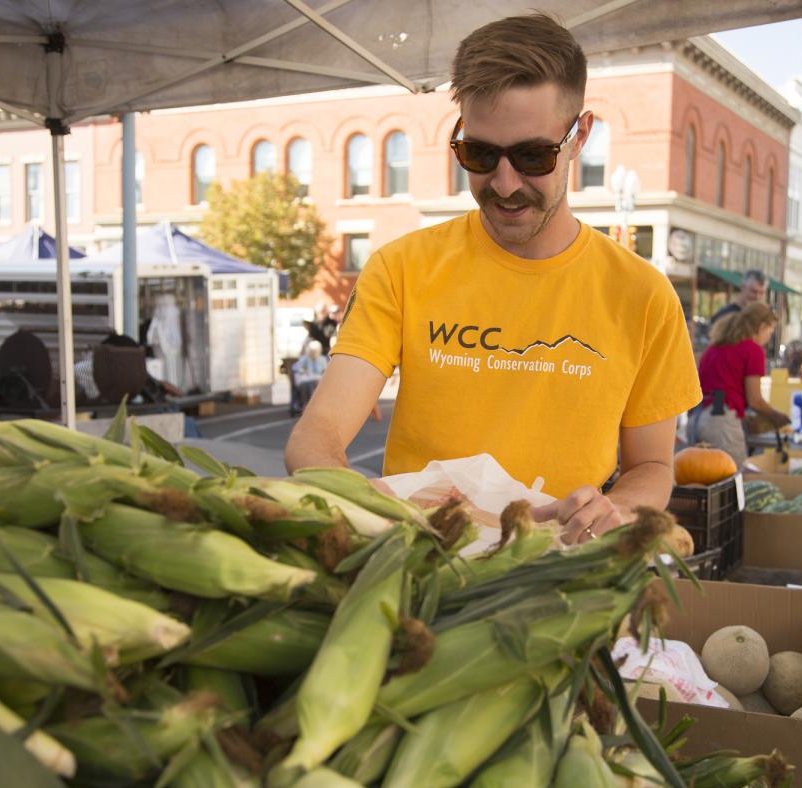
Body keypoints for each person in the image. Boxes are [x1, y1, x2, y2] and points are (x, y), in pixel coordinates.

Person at [284, 13, 701, 545]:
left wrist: (614, 507)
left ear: (580, 137)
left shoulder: (643, 295)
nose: (504, 184)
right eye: (479, 154)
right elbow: (316, 435)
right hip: (418, 562)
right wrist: (364, 496)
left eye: (532, 155)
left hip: (551, 577)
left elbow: (653, 468)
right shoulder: (402, 267)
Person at [693, 303, 791, 466]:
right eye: (770, 330)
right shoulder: (753, 350)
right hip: (722, 422)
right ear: (761, 326)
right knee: (734, 478)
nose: (769, 336)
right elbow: (755, 400)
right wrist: (777, 416)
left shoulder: (715, 348)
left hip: (699, 417)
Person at [291, 340, 329, 411]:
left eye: (315, 351)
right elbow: (295, 367)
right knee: (307, 384)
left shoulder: (322, 359)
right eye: (312, 351)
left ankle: (311, 404)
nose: (314, 353)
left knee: (313, 383)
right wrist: (302, 370)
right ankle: (308, 404)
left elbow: (326, 370)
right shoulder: (306, 358)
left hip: (318, 379)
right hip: (309, 379)